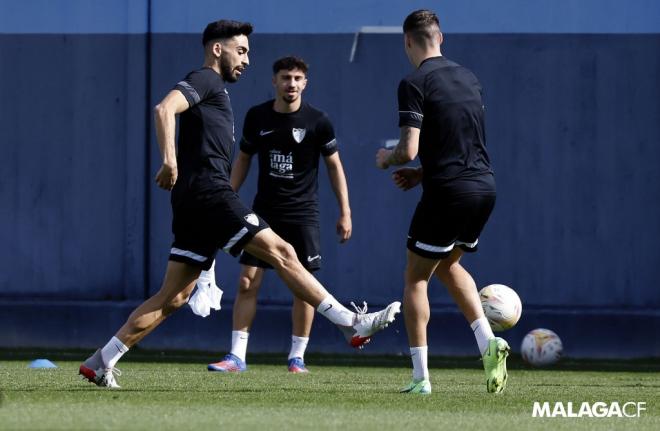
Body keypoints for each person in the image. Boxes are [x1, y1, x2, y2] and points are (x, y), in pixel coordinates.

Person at [79, 19, 400, 389]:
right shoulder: (206, 79)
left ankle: (101, 360)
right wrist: (169, 160)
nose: (246, 59)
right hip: (208, 192)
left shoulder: (217, 90)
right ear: (218, 49)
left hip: (193, 200)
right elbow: (164, 109)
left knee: (174, 296)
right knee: (282, 251)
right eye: (241, 50)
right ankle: (349, 322)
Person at [375, 10, 509, 395]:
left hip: (449, 191)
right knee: (450, 264)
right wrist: (422, 174)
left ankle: (421, 379)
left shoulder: (414, 81)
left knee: (416, 277)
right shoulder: (469, 77)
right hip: (483, 187)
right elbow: (462, 143)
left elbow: (409, 147)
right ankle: (488, 344)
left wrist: (391, 158)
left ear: (407, 42)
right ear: (441, 38)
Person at [206, 56, 352, 373]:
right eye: (286, 77)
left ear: (305, 83)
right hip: (263, 213)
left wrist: (345, 212)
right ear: (274, 81)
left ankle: (297, 357)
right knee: (246, 282)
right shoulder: (257, 117)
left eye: (298, 78)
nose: (292, 84)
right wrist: (226, 197)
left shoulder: (318, 121)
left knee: (304, 287)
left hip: (303, 214)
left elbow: (334, 166)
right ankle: (236, 356)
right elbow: (243, 159)